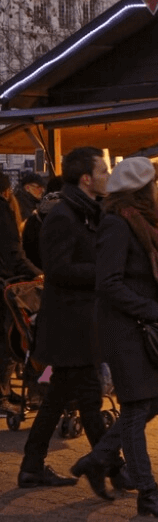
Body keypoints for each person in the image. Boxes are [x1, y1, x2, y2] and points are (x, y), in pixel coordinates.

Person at [70, 157, 158, 518]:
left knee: (153, 402)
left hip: (138, 326)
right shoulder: (118, 225)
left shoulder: (142, 222)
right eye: (153, 187)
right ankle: (148, 492)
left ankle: (98, 459)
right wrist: (154, 311)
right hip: (125, 329)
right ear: (142, 191)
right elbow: (108, 284)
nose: (157, 192)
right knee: (139, 406)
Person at [19, 147, 131, 490]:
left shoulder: (86, 213)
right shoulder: (64, 216)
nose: (107, 177)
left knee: (62, 398)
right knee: (90, 397)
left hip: (79, 321)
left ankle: (32, 468)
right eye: (102, 171)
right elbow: (59, 268)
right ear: (86, 178)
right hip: (71, 324)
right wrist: (104, 270)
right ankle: (111, 468)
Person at [0, 174, 42, 414]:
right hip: (6, 284)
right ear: (7, 192)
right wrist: (37, 275)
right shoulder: (4, 210)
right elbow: (13, 253)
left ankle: (5, 390)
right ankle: (3, 395)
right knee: (8, 339)